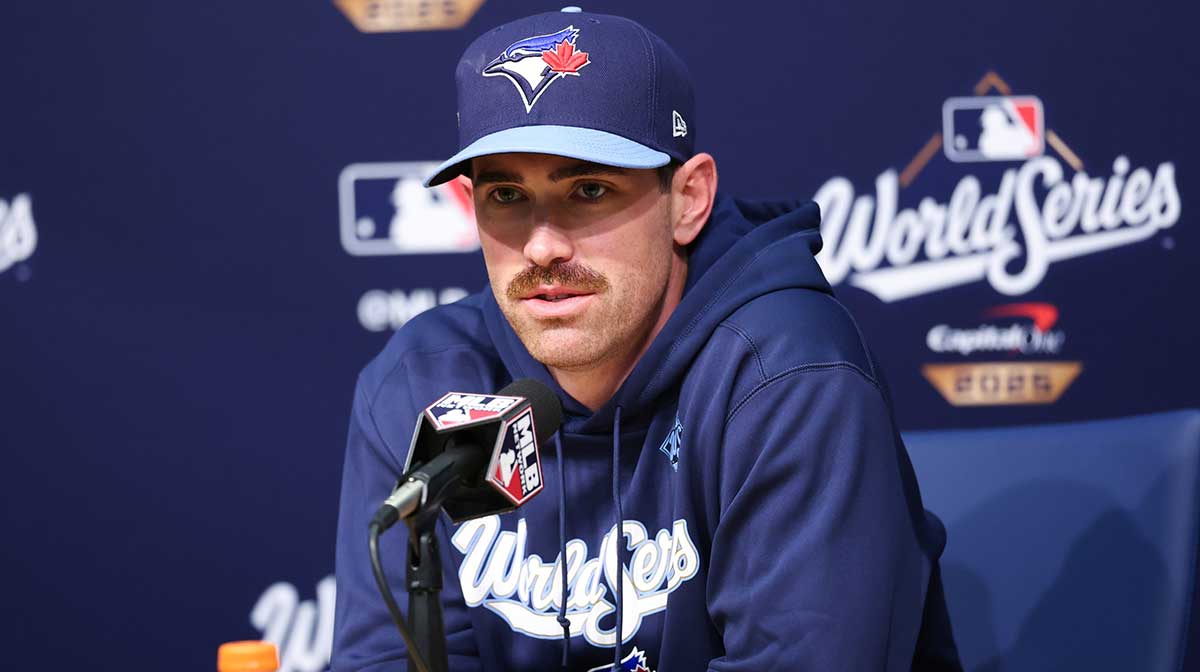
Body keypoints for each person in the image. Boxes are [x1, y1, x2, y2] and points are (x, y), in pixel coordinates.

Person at [333, 7, 961, 671]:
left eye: (590, 188)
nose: (542, 244)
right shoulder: (422, 382)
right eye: (507, 196)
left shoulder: (787, 377)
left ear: (688, 199)